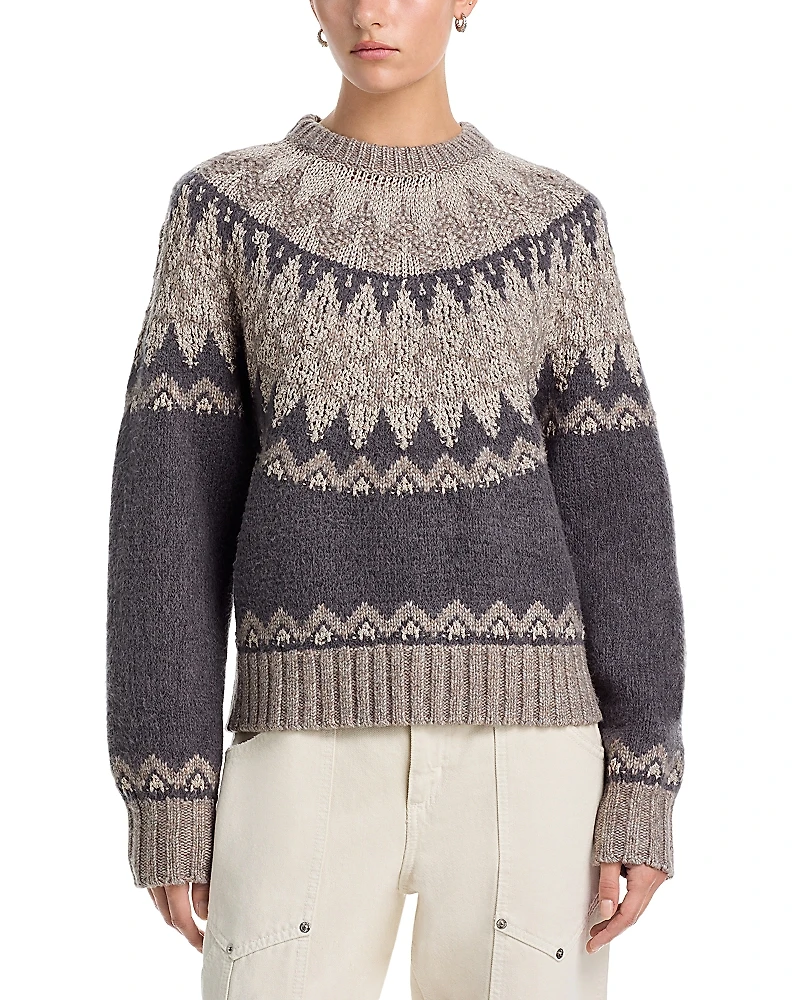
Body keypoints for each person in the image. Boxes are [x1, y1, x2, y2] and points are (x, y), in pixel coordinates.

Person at [105, 2, 686, 997]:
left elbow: (618, 511)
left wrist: (642, 773)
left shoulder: (555, 225)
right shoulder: (224, 212)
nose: (371, 9)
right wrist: (166, 779)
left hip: (529, 757)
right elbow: (167, 512)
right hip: (298, 748)